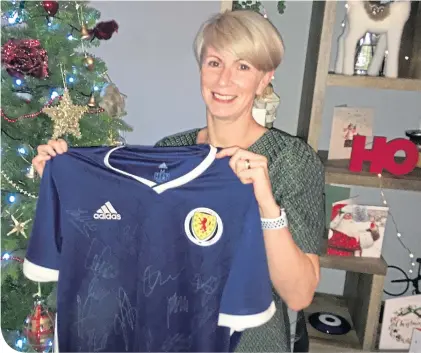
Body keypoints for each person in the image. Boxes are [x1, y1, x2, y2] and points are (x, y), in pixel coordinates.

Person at [32, 9, 325, 352]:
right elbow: (123, 246)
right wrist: (65, 186)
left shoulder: (289, 159)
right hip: (170, 337)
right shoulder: (170, 152)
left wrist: (266, 204)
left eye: (243, 66)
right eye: (215, 63)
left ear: (264, 79)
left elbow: (300, 294)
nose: (224, 80)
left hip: (250, 343)